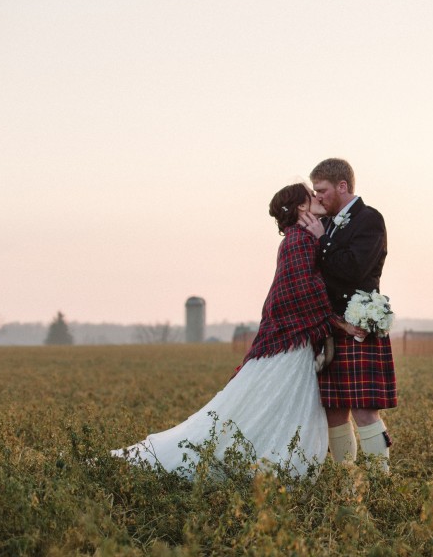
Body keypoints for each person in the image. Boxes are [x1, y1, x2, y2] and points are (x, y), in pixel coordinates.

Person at [111, 182, 363, 477]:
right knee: (268, 406)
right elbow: (300, 291)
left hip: (293, 340)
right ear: (301, 208)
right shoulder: (299, 241)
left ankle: (263, 460)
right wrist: (339, 323)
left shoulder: (301, 238)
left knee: (271, 407)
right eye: (311, 195)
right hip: (290, 342)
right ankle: (258, 463)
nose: (317, 197)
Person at [297, 158, 397, 473]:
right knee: (334, 410)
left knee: (366, 412)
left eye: (322, 190)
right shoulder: (323, 224)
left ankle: (382, 481)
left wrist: (321, 241)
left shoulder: (369, 219)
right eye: (315, 190)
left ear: (343, 186)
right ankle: (346, 482)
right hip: (330, 326)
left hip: (358, 326)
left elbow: (354, 268)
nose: (318, 196)